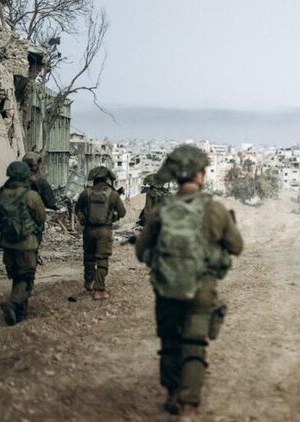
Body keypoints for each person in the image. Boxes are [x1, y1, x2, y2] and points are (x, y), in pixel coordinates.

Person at [135, 145, 243, 421]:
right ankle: (188, 408)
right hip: (201, 289)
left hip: (166, 287)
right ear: (199, 174)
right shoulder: (214, 209)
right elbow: (237, 246)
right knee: (194, 345)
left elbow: (141, 250)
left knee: (170, 342)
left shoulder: (163, 209)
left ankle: (172, 394)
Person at [0, 161, 46, 326]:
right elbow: (41, 218)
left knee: (17, 277)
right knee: (26, 277)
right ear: (25, 176)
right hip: (27, 245)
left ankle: (19, 314)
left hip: (7, 244)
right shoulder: (31, 196)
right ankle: (12, 303)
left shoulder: (1, 194)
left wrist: (8, 232)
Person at [75, 166, 126, 300]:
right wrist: (114, 215)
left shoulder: (86, 192)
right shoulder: (113, 194)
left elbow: (77, 208)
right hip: (104, 230)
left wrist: (82, 218)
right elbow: (122, 212)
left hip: (88, 230)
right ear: (106, 178)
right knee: (102, 259)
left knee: (89, 256)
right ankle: (99, 290)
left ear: (94, 179)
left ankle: (89, 282)